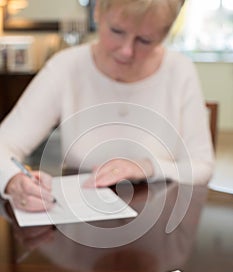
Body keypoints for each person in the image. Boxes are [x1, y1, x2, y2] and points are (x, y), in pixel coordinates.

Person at [0, 0, 214, 212]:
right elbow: (5, 143)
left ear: (164, 35)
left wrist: (147, 167)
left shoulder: (179, 71)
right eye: (117, 31)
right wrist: (12, 180)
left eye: (145, 40)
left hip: (158, 223)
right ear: (97, 13)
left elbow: (202, 166)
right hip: (79, 224)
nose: (126, 51)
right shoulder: (65, 67)